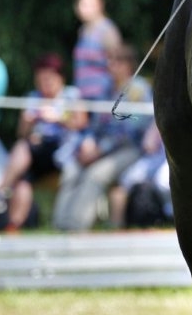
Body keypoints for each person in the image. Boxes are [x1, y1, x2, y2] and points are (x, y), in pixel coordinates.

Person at [52, 45, 152, 231]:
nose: (110, 64)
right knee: (71, 170)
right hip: (101, 148)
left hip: (130, 149)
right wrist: (88, 142)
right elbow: (95, 124)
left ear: (128, 65)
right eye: (110, 60)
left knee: (96, 174)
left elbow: (132, 129)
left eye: (116, 61)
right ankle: (59, 224)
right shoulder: (106, 88)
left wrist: (99, 150)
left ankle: (75, 226)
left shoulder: (138, 89)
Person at [0, 53, 84, 233]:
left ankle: (1, 189)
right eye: (41, 80)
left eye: (49, 79)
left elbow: (81, 124)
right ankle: (13, 226)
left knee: (24, 149)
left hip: (63, 152)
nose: (45, 84)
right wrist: (28, 122)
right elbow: (21, 134)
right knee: (23, 181)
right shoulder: (33, 97)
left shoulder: (71, 95)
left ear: (59, 77)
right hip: (35, 153)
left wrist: (58, 118)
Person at [72, 0, 122, 102]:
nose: (83, 6)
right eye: (81, 2)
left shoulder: (107, 29)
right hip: (83, 94)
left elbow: (117, 64)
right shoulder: (83, 30)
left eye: (89, 2)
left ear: (100, 3)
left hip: (103, 94)